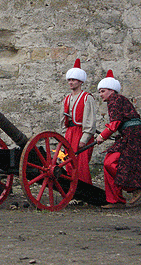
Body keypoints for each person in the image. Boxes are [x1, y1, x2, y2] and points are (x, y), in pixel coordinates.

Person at [96, 70, 141, 209]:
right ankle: (115, 199)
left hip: (133, 137)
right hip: (126, 135)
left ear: (111, 90)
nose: (101, 94)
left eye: (103, 91)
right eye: (100, 92)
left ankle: (134, 186)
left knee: (111, 162)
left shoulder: (115, 100)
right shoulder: (115, 100)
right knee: (108, 162)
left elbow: (115, 123)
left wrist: (102, 136)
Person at [60, 58, 96, 186]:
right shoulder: (66, 99)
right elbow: (63, 120)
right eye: (69, 80)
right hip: (69, 133)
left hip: (81, 133)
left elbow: (90, 120)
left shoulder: (87, 98)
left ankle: (85, 191)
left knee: (81, 164)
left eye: (73, 80)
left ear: (80, 81)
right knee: (69, 163)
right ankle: (72, 191)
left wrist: (85, 138)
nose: (71, 82)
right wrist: (64, 136)